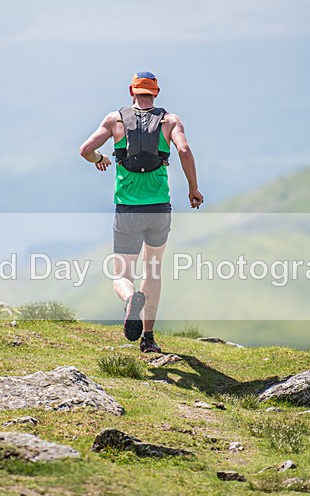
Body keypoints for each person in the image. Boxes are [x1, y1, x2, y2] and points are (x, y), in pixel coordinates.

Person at [79, 71, 204, 353]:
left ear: (131, 91)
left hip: (128, 210)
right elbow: (184, 151)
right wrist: (193, 188)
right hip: (158, 208)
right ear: (156, 92)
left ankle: (129, 300)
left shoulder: (115, 120)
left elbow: (85, 149)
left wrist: (100, 158)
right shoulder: (170, 121)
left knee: (122, 274)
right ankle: (148, 339)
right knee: (153, 270)